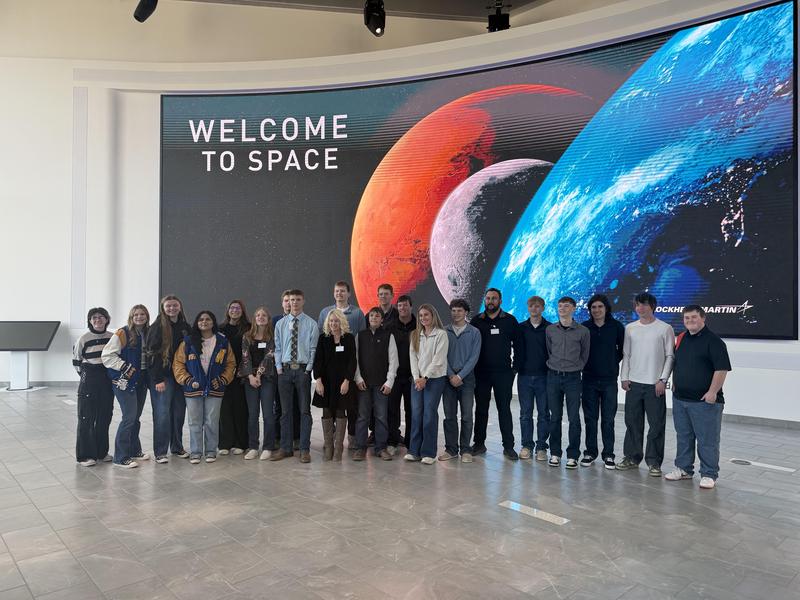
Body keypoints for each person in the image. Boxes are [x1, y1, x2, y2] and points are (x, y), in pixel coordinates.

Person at [665, 305, 731, 490]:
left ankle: (709, 473)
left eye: (693, 317)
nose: (690, 321)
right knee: (684, 436)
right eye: (686, 318)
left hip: (705, 402)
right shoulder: (682, 338)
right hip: (680, 399)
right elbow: (678, 363)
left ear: (703, 318)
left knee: (707, 439)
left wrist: (712, 392)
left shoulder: (714, 341)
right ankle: (684, 469)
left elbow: (721, 369)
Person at [617, 292, 675, 476]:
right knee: (632, 423)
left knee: (656, 425)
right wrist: (624, 377)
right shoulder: (630, 328)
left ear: (653, 306)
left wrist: (663, 380)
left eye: (644, 305)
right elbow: (626, 355)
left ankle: (654, 462)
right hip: (633, 384)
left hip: (654, 385)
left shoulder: (665, 328)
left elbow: (670, 356)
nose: (640, 309)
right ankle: (632, 458)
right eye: (637, 305)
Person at [173, 311, 237, 464]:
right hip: (193, 388)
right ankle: (195, 452)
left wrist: (222, 379)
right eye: (201, 319)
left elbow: (231, 364)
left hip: (215, 388)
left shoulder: (222, 341)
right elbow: (178, 364)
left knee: (211, 421)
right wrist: (187, 380)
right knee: (194, 422)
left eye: (208, 319)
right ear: (197, 322)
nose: (204, 322)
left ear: (213, 322)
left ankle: (210, 451)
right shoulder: (187, 342)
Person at [471, 288, 519, 460]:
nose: (490, 301)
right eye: (488, 298)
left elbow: (519, 345)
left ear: (500, 301)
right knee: (481, 410)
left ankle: (508, 447)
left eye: (494, 298)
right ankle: (478, 444)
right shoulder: (477, 321)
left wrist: (515, 369)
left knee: (504, 410)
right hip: (481, 373)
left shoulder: (510, 321)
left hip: (503, 374)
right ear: (485, 300)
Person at [101, 304, 151, 469]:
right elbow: (107, 355)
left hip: (141, 381)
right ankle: (121, 457)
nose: (139, 317)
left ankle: (135, 450)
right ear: (131, 316)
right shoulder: (123, 333)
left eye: (142, 314)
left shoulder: (148, 333)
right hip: (124, 381)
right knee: (128, 417)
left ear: (147, 316)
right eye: (136, 314)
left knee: (135, 417)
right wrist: (124, 367)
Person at [273, 289, 319, 463]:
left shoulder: (311, 324)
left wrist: (307, 370)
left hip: (301, 371)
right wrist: (278, 368)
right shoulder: (281, 324)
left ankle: (304, 450)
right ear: (288, 302)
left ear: (303, 301)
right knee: (285, 412)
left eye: (298, 299)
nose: (294, 302)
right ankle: (286, 448)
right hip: (284, 371)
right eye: (291, 300)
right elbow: (277, 347)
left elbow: (313, 349)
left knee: (304, 411)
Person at [145, 294, 192, 463]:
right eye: (168, 306)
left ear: (180, 307)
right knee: (162, 414)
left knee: (178, 413)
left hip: (181, 377)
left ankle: (177, 447)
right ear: (163, 308)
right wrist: (157, 379)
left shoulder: (186, 326)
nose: (172, 308)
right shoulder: (157, 327)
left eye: (175, 305)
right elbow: (152, 355)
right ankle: (160, 451)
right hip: (162, 378)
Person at [545, 297, 590, 469]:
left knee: (574, 418)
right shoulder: (550, 330)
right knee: (555, 417)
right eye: (560, 306)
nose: (562, 308)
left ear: (573, 308)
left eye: (566, 306)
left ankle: (573, 455)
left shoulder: (583, 331)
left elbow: (584, 355)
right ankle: (555, 453)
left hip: (573, 378)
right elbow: (549, 350)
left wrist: (575, 368)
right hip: (553, 377)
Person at [581, 293, 625, 469]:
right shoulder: (584, 327)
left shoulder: (616, 327)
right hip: (589, 379)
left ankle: (609, 455)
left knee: (608, 419)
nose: (597, 310)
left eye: (600, 307)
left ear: (606, 308)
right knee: (590, 419)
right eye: (593, 307)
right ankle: (590, 452)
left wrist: (611, 363)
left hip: (608, 381)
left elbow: (622, 351)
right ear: (590, 310)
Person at [405, 304, 448, 465]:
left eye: (426, 315)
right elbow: (413, 358)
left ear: (433, 316)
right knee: (416, 414)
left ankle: (428, 452)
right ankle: (414, 451)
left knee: (429, 415)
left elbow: (438, 359)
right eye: (421, 315)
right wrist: (417, 377)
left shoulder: (441, 335)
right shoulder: (415, 335)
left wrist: (425, 378)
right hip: (417, 381)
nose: (423, 318)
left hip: (434, 380)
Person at [312, 309, 357, 461]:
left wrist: (347, 381)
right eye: (331, 321)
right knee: (327, 413)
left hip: (342, 383)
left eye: (336, 321)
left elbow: (352, 361)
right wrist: (318, 380)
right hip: (326, 383)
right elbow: (317, 360)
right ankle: (328, 446)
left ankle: (338, 447)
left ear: (342, 322)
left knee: (340, 412)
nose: (333, 324)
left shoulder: (349, 338)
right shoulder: (323, 338)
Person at [354, 307, 398, 461]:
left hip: (381, 385)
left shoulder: (388, 335)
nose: (374, 317)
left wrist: (389, 382)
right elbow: (355, 360)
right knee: (362, 416)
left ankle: (381, 448)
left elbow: (394, 361)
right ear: (368, 318)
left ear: (382, 319)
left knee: (381, 417)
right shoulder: (360, 336)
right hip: (363, 384)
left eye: (377, 315)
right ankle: (360, 448)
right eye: (371, 315)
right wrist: (358, 378)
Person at [439, 299, 480, 463]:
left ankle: (465, 449)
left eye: (459, 311)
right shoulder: (444, 331)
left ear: (466, 313)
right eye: (453, 310)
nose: (456, 313)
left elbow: (474, 357)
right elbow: (441, 355)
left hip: (467, 379)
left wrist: (460, 376)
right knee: (449, 416)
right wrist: (450, 375)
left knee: (467, 415)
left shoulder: (474, 332)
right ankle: (451, 449)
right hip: (448, 378)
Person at [72, 307, 114, 467]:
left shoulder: (112, 337)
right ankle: (86, 456)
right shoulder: (84, 338)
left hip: (106, 378)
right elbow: (76, 362)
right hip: (89, 377)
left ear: (107, 319)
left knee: (104, 416)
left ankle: (101, 452)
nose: (98, 320)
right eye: (94, 318)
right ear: (90, 321)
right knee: (86, 417)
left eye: (101, 317)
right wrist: (87, 376)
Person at [515, 296, 551, 462]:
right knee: (525, 414)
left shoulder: (550, 328)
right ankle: (527, 445)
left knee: (544, 413)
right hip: (524, 377)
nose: (534, 308)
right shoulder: (520, 328)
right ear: (528, 308)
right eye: (531, 306)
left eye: (538, 306)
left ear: (542, 308)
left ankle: (542, 447)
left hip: (544, 377)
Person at [239, 306, 277, 460]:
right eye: (258, 315)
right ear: (254, 319)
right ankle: (253, 446)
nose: (261, 317)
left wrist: (259, 375)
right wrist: (250, 376)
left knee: (268, 414)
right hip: (250, 380)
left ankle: (268, 447)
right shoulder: (247, 336)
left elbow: (269, 356)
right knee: (252, 414)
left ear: (268, 319)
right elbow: (245, 357)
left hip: (267, 378)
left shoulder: (272, 336)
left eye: (264, 315)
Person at [218, 299, 251, 455]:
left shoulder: (248, 328)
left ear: (242, 310)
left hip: (241, 375)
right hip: (223, 374)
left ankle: (240, 442)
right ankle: (225, 443)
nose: (235, 310)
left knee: (240, 408)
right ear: (228, 310)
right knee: (224, 409)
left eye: (238, 308)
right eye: (232, 307)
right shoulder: (220, 328)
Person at [388, 294, 416, 453]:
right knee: (392, 409)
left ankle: (411, 443)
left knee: (411, 410)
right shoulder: (390, 326)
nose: (402, 308)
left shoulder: (419, 325)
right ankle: (392, 441)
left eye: (405, 305)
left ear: (411, 306)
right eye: (399, 306)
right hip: (395, 377)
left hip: (413, 377)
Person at [273, 290, 301, 450]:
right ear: (283, 303)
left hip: (298, 369)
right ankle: (279, 437)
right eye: (286, 301)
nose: (289, 303)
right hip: (281, 370)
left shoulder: (303, 321)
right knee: (280, 406)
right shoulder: (276, 321)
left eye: (292, 300)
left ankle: (296, 437)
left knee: (297, 404)